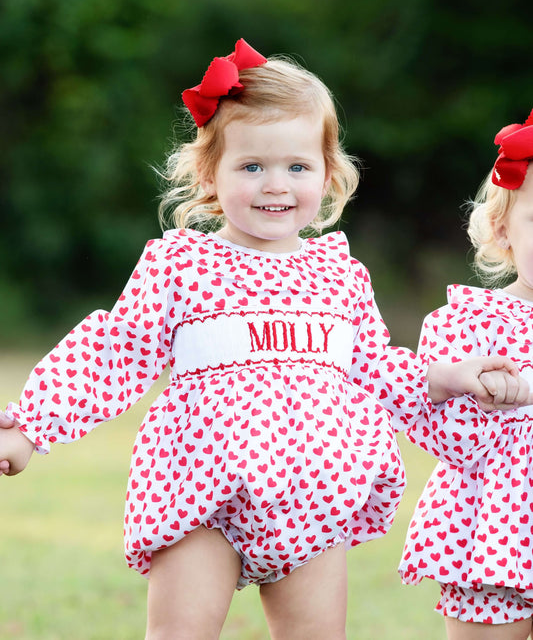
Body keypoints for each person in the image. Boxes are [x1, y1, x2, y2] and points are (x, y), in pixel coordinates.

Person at [0, 39, 529, 640]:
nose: (275, 185)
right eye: (252, 166)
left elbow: (377, 370)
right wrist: (29, 428)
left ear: (328, 174)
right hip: (201, 489)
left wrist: (448, 377)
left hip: (314, 493)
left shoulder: (339, 275)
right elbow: (113, 352)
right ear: (210, 173)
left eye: (297, 167)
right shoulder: (184, 265)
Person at [399, 109, 533, 639]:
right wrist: (481, 392)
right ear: (502, 229)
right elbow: (449, 440)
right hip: (494, 530)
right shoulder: (470, 322)